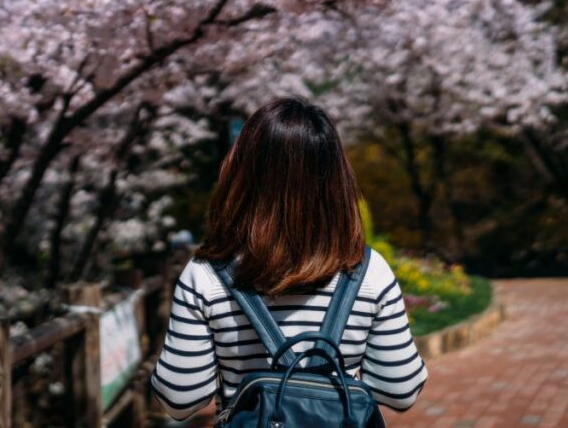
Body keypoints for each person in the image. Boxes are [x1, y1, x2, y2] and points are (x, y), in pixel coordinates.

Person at [151, 97, 427, 423]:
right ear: (336, 181)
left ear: (240, 173)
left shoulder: (206, 274)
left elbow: (180, 398)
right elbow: (401, 389)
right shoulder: (367, 270)